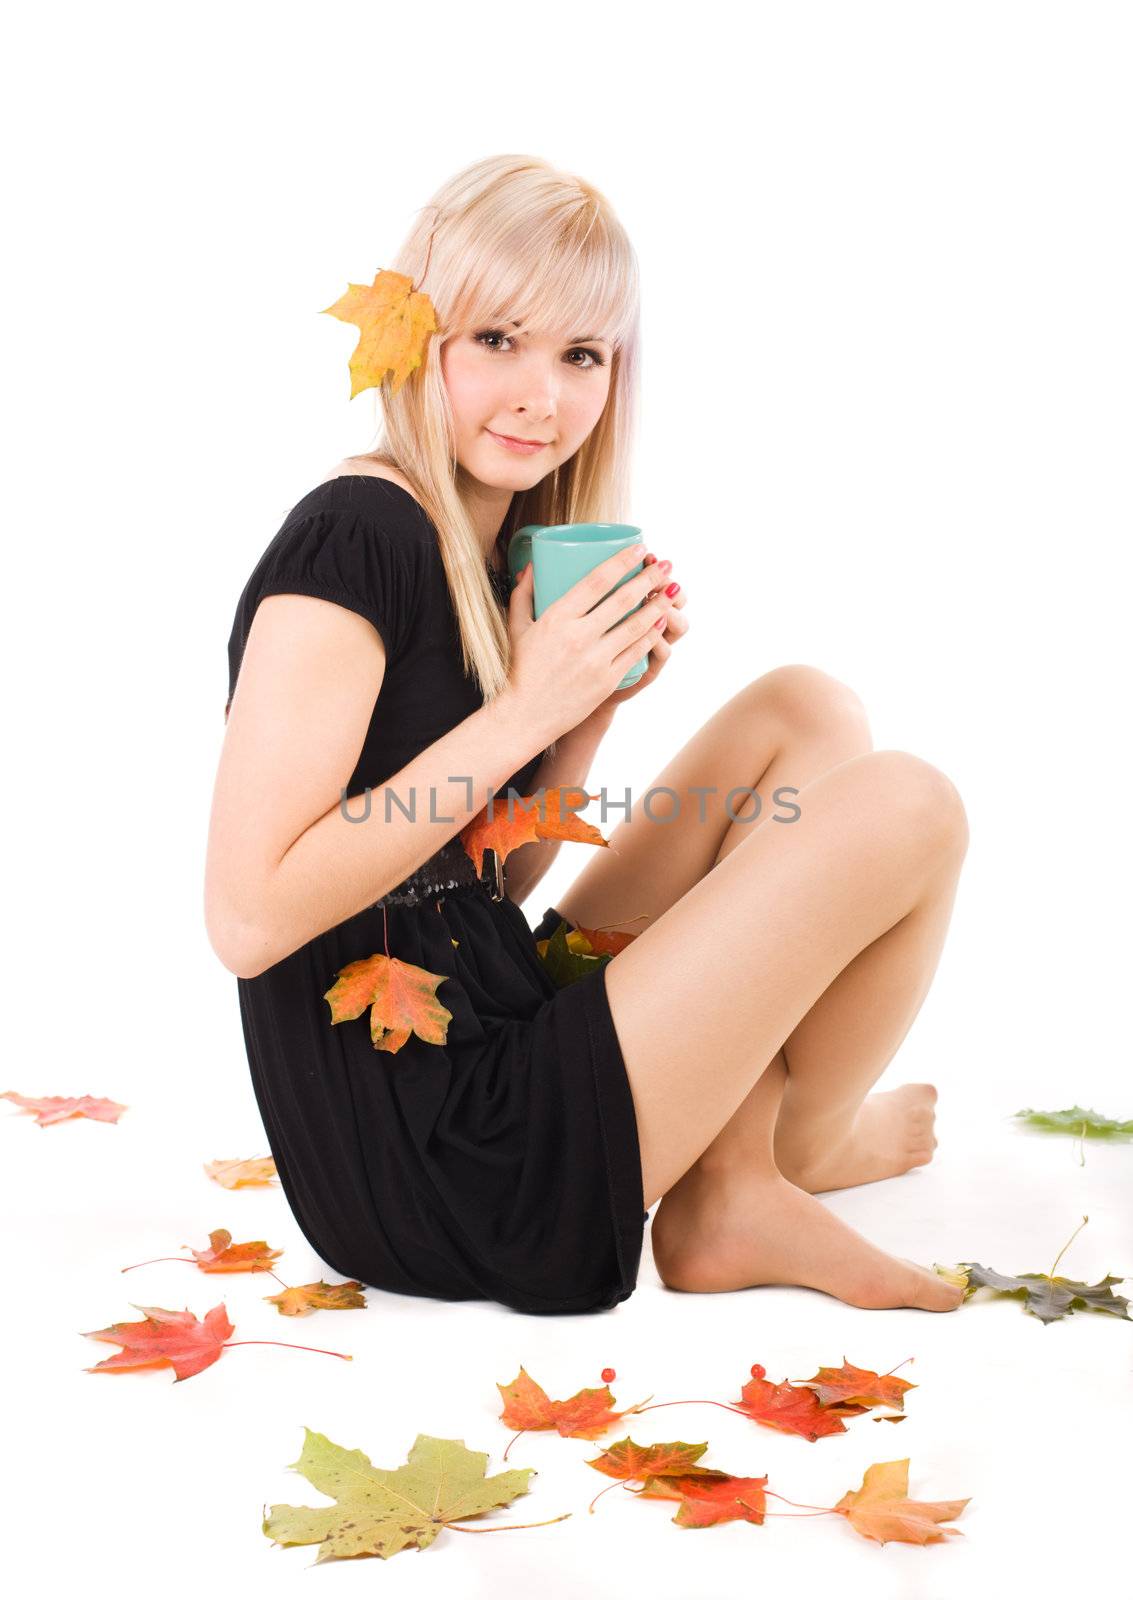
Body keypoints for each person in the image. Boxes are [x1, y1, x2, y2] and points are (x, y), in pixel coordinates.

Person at [205, 153, 968, 1317]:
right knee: (905, 803)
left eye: (580, 356)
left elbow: (480, 880)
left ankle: (738, 1175)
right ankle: (789, 1154)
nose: (540, 397)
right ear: (418, 342)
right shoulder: (353, 536)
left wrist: (581, 722)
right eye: (497, 340)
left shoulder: (488, 551)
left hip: (493, 1016)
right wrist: (525, 707)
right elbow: (249, 918)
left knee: (801, 709)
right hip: (449, 1160)